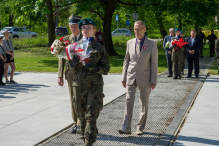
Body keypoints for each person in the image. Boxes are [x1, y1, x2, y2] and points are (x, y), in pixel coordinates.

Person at [71, 18, 110, 146]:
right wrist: (73, 63)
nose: (85, 30)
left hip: (95, 85)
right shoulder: (75, 46)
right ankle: (85, 138)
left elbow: (106, 69)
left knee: (91, 115)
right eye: (83, 28)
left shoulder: (99, 47)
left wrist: (95, 68)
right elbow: (69, 67)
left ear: (94, 30)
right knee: (81, 116)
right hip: (79, 85)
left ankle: (88, 142)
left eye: (88, 27)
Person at [119, 20, 158, 135]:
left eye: (139, 29)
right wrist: (123, 77)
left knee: (143, 103)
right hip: (131, 76)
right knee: (128, 101)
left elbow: (154, 63)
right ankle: (126, 127)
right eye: (135, 29)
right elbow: (126, 60)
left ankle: (140, 127)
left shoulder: (152, 44)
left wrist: (153, 80)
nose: (137, 31)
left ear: (144, 29)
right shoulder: (130, 42)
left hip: (145, 77)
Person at [57, 14, 83, 134]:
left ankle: (84, 123)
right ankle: (76, 123)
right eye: (71, 25)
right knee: (73, 98)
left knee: (84, 98)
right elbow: (61, 58)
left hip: (84, 73)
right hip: (71, 73)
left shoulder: (86, 37)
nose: (73, 27)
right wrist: (60, 76)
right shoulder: (65, 40)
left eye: (75, 25)